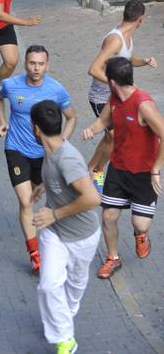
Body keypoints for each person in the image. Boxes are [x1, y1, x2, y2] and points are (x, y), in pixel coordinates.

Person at [0, 45, 77, 272]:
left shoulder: (56, 90)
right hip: (16, 149)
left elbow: (72, 118)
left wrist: (62, 142)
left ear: (47, 66)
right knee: (26, 201)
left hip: (45, 155)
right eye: (32, 63)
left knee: (40, 195)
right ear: (25, 64)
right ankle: (34, 254)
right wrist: (2, 121)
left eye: (40, 64)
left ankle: (54, 237)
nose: (36, 68)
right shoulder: (11, 85)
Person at [82, 57, 164, 279]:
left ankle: (141, 234)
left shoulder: (143, 104)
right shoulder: (114, 99)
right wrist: (91, 129)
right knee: (108, 216)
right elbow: (102, 121)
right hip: (118, 168)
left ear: (111, 81)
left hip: (144, 173)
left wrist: (156, 169)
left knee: (140, 223)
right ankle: (113, 258)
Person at [30, 101, 101, 354]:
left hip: (83, 235)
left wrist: (54, 214)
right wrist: (44, 187)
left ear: (35, 128)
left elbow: (93, 198)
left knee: (75, 284)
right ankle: (65, 339)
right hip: (55, 233)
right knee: (49, 285)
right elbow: (58, 178)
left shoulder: (67, 158)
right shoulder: (50, 149)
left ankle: (64, 318)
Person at [88, 0, 156, 192]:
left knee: (110, 137)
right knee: (113, 136)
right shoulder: (115, 40)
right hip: (101, 97)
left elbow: (128, 57)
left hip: (117, 97)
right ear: (140, 19)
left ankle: (92, 169)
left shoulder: (127, 37)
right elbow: (93, 69)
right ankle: (96, 170)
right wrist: (118, 85)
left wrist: (144, 61)